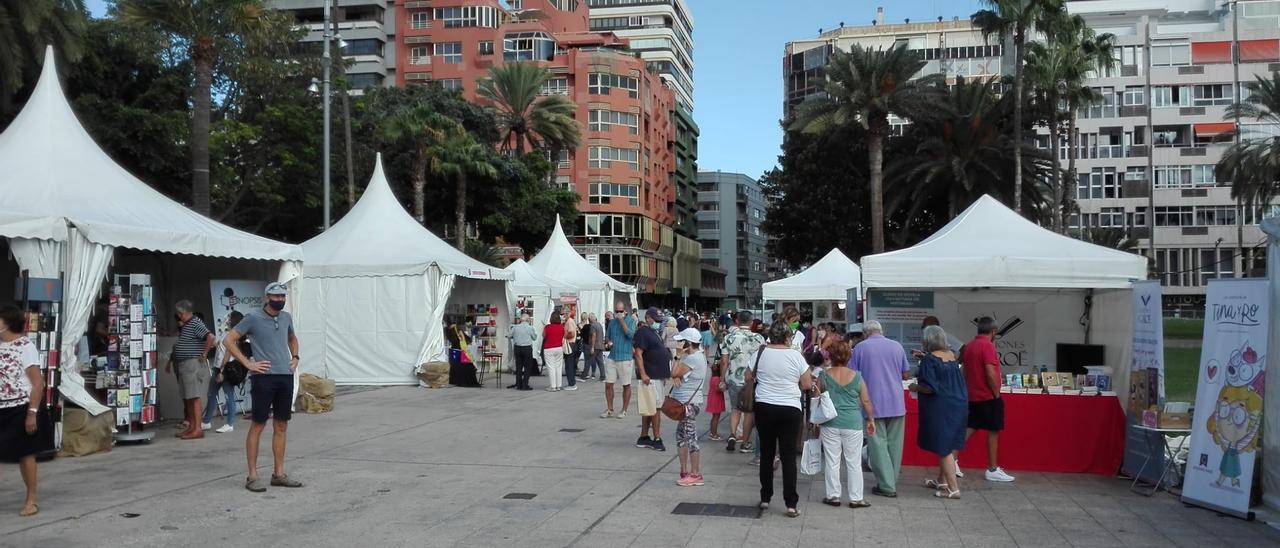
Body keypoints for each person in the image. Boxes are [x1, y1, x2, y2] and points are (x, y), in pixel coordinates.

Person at [224, 283, 302, 492]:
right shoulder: (253, 317)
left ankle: (279, 473)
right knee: (258, 425)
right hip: (264, 378)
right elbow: (229, 340)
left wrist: (295, 357)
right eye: (276, 296)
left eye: (282, 296)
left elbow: (292, 337)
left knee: (282, 426)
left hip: (285, 376)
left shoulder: (286, 317)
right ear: (267, 297)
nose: (280, 299)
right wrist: (248, 363)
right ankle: (252, 475)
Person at [753, 321, 814, 518]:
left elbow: (748, 376)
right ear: (788, 337)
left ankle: (765, 497)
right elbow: (806, 384)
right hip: (789, 408)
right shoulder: (796, 355)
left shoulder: (760, 353)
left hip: (764, 407)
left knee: (767, 453)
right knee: (788, 456)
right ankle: (791, 503)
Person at [0, 304, 50, 516]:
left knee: (25, 454)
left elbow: (38, 383)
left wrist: (32, 413)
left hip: (20, 407)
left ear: (7, 322)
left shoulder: (25, 347)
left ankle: (31, 499)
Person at [850, 320, 910, 498]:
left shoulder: (860, 348)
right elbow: (905, 373)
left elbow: (853, 375)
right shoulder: (897, 346)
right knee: (895, 445)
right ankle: (891, 479)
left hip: (872, 403)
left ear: (865, 333)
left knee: (877, 445)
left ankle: (887, 485)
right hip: (896, 402)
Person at [815, 340, 875, 508]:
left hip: (830, 422)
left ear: (831, 356)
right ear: (849, 356)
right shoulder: (857, 376)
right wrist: (871, 419)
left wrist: (813, 421)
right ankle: (856, 498)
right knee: (853, 461)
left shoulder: (824, 375)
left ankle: (833, 496)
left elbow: (816, 398)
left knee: (832, 461)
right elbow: (866, 400)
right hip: (853, 423)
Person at [911, 325, 968, 499]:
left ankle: (953, 488)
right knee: (950, 444)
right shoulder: (952, 356)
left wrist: (915, 387)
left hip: (940, 406)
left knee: (943, 447)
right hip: (958, 404)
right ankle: (942, 481)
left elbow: (930, 388)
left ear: (928, 340)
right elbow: (944, 371)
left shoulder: (930, 360)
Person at [961, 317, 1015, 482]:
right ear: (994, 332)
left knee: (971, 427)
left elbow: (963, 370)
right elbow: (990, 372)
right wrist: (996, 393)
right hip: (988, 396)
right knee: (993, 431)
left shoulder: (969, 346)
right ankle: (992, 468)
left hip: (973, 395)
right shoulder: (988, 346)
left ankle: (952, 459)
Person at [170, 300, 214, 440]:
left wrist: (204, 354)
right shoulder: (187, 324)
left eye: (179, 313)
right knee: (188, 396)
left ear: (183, 312)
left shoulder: (195, 322)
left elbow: (210, 337)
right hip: (185, 364)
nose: (178, 316)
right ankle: (192, 427)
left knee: (194, 396)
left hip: (192, 364)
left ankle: (197, 429)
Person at [719, 310, 763, 453]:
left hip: (733, 378)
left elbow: (724, 362)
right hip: (751, 380)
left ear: (737, 321)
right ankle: (745, 442)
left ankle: (732, 435)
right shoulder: (758, 338)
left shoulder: (728, 338)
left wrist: (722, 379)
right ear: (751, 322)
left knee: (735, 409)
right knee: (749, 412)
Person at [671, 327, 708, 486]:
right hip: (685, 402)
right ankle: (684, 470)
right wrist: (676, 373)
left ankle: (695, 474)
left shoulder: (693, 359)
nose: (679, 344)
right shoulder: (695, 356)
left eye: (682, 341)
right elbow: (675, 374)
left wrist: (677, 356)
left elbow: (673, 372)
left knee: (690, 438)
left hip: (688, 404)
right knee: (681, 437)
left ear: (688, 343)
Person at [202, 310, 248, 433]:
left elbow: (228, 353)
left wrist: (222, 371)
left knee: (229, 396)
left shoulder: (234, 335)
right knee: (211, 394)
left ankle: (230, 423)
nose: (226, 319)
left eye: (229, 317)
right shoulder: (226, 333)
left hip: (227, 368)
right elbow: (219, 345)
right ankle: (206, 421)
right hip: (219, 368)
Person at [633, 307, 672, 451]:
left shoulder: (653, 332)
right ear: (648, 318)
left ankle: (644, 436)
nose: (658, 323)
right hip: (651, 376)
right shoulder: (643, 332)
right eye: (656, 320)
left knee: (651, 407)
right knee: (655, 407)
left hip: (657, 375)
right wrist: (643, 373)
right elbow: (638, 353)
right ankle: (657, 437)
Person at [601, 303, 635, 419]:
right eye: (617, 311)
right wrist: (608, 341)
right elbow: (607, 336)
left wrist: (622, 321)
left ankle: (624, 409)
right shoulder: (611, 322)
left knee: (626, 384)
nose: (618, 313)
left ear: (625, 311)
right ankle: (610, 408)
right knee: (608, 384)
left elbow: (630, 335)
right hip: (612, 356)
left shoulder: (630, 321)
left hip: (625, 357)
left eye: (620, 311)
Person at [699, 321, 725, 441]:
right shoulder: (717, 378)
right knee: (716, 415)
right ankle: (713, 434)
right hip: (716, 393)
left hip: (713, 390)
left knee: (716, 415)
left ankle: (713, 433)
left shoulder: (713, 375)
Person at [509, 314, 537, 391]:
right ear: (528, 320)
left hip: (517, 348)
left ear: (520, 320)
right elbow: (534, 338)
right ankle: (525, 384)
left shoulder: (515, 327)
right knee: (527, 367)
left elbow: (509, 335)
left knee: (519, 366)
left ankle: (518, 384)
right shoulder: (530, 328)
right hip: (527, 348)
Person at [542, 312, 567, 392]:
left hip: (549, 348)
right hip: (559, 348)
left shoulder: (547, 327)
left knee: (551, 367)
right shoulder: (561, 327)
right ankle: (559, 385)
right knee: (558, 367)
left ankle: (553, 386)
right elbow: (564, 336)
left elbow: (544, 336)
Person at [583, 313, 604, 380]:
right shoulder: (599, 324)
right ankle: (603, 376)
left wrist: (592, 347)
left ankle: (584, 375)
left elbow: (594, 335)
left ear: (590, 319)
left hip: (595, 346)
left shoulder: (592, 326)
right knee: (600, 362)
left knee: (588, 361)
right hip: (600, 345)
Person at [564, 312, 580, 390]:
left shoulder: (569, 321)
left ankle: (572, 384)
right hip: (571, 344)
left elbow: (572, 334)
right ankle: (571, 383)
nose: (562, 316)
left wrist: (564, 336)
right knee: (570, 364)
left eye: (563, 314)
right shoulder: (569, 321)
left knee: (569, 365)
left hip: (570, 344)